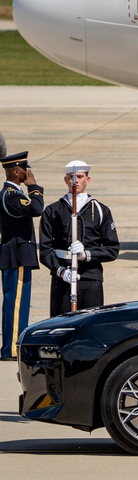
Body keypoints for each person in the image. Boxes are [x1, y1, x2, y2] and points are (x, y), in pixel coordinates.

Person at [38, 160, 120, 316]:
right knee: (60, 325)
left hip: (90, 278)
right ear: (65, 180)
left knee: (90, 326)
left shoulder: (101, 210)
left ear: (87, 180)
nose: (75, 181)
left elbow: (112, 249)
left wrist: (86, 254)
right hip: (62, 278)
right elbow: (45, 250)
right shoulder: (52, 211)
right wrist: (60, 271)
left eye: (80, 176)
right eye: (71, 177)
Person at [1, 151, 43, 360]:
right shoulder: (11, 196)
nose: (29, 173)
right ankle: (12, 349)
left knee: (16, 302)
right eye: (26, 169)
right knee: (16, 303)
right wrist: (34, 187)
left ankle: (12, 345)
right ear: (16, 171)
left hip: (16, 254)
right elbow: (36, 209)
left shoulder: (11, 194)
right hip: (16, 255)